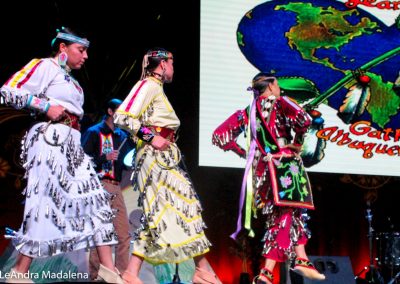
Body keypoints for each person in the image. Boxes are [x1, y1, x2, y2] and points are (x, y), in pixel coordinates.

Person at [0, 27, 123, 284]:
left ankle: (109, 270)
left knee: (95, 199)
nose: (86, 56)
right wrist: (44, 105)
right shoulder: (44, 66)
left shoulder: (74, 84)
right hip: (49, 139)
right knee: (44, 202)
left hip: (72, 142)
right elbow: (8, 89)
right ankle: (19, 272)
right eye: (81, 50)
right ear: (63, 48)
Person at [114, 48, 221, 284]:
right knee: (181, 208)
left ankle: (133, 272)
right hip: (154, 159)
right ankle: (201, 268)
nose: (173, 68)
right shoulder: (148, 85)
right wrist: (152, 137)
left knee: (165, 213)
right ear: (162, 64)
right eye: (171, 63)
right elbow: (122, 117)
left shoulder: (156, 89)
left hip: (163, 158)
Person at [212, 72, 325, 284]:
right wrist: (297, 142)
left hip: (263, 171)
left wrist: (243, 153)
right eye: (278, 85)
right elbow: (304, 119)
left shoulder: (248, 111)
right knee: (285, 216)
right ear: (271, 86)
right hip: (284, 167)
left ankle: (301, 258)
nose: (280, 89)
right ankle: (267, 270)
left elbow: (219, 135)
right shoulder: (280, 102)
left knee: (289, 214)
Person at [82, 98, 135, 280]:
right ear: (111, 112)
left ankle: (121, 275)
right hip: (97, 186)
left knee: (123, 234)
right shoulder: (94, 132)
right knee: (101, 234)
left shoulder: (122, 136)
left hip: (116, 186)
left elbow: (128, 162)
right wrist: (103, 158)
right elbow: (81, 161)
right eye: (120, 111)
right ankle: (96, 276)